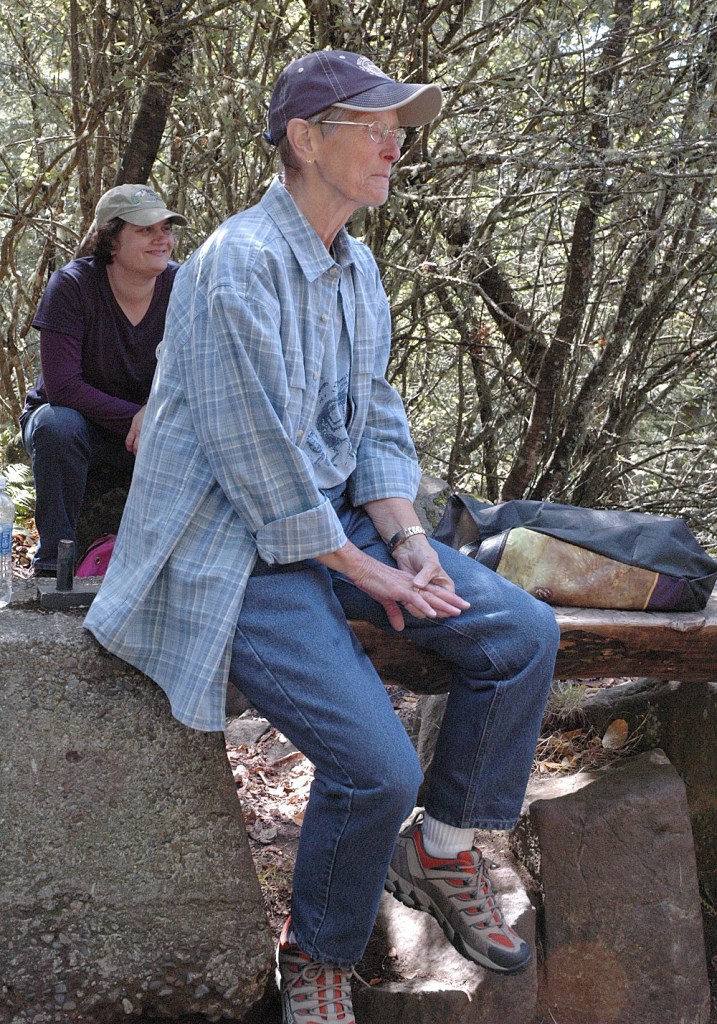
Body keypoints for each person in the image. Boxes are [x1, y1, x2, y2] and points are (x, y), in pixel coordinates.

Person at [84, 50, 560, 1024]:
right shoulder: (233, 265)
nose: (394, 145)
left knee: (522, 634)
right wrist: (363, 571)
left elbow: (374, 413)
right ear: (304, 140)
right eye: (372, 127)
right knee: (377, 767)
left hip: (333, 521)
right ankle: (319, 955)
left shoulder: (356, 264)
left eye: (398, 129)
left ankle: (441, 845)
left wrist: (406, 536)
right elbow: (253, 459)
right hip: (229, 546)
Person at [20, 184, 188, 575]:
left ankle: (179, 569)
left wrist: (155, 414)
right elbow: (62, 387)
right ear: (111, 239)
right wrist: (138, 416)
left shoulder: (183, 286)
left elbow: (200, 375)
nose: (162, 239)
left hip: (151, 429)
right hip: (80, 426)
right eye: (146, 230)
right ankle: (54, 567)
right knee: (57, 425)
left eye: (166, 228)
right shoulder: (72, 286)